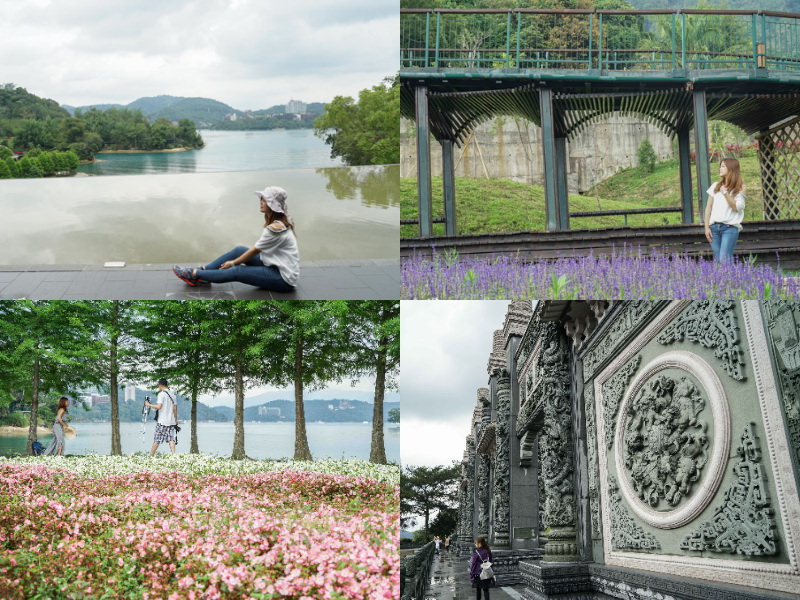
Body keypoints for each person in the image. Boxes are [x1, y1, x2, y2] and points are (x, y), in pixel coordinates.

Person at [172, 185, 299, 292]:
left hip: (282, 278)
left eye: (264, 200)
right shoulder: (280, 221)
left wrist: (233, 263)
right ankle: (205, 273)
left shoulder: (275, 228)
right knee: (240, 250)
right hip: (273, 265)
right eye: (261, 198)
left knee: (237, 271)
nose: (260, 201)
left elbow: (255, 251)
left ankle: (194, 274)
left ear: (272, 205)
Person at [704, 158, 745, 264]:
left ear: (731, 169)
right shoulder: (715, 186)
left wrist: (726, 193)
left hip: (729, 228)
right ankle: (726, 280)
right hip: (714, 229)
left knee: (724, 260)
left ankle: (731, 280)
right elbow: (708, 207)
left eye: (723, 166)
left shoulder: (740, 187)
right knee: (718, 261)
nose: (720, 168)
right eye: (720, 166)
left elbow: (737, 207)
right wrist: (706, 227)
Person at [144, 378, 179, 456]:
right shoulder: (173, 395)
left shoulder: (161, 394)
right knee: (171, 439)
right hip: (171, 421)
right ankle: (174, 455)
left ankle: (150, 456)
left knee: (157, 439)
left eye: (158, 386)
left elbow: (159, 406)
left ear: (160, 385)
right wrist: (176, 419)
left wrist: (148, 405)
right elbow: (175, 408)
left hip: (162, 421)